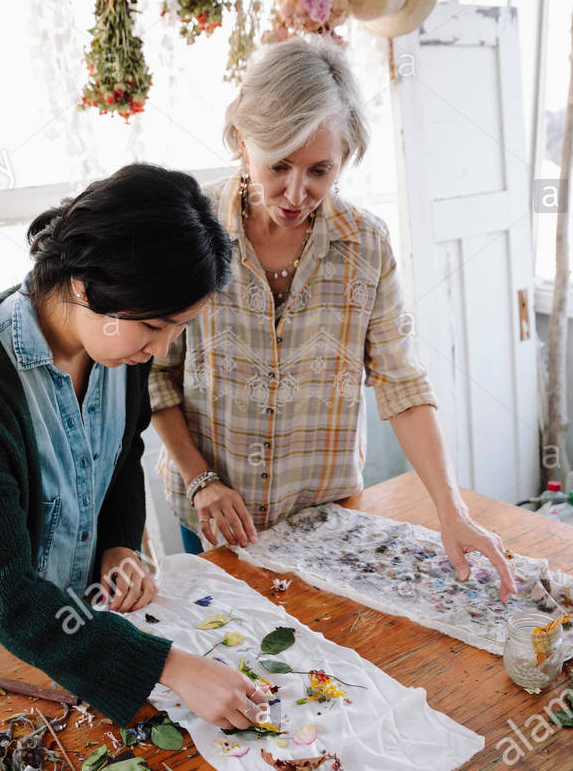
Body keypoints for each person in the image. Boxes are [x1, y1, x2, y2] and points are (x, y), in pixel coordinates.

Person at [0, 164, 271, 729]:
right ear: (86, 289)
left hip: (64, 620)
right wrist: (174, 668)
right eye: (155, 326)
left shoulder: (119, 351)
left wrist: (117, 544)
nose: (161, 350)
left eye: (177, 330)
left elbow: (120, 451)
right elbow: (8, 595)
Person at [149, 37, 517, 601]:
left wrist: (453, 510)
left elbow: (402, 383)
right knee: (234, 652)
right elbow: (156, 375)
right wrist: (202, 481)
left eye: (320, 170)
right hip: (214, 510)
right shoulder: (193, 226)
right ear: (243, 141)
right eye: (279, 166)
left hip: (327, 520)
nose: (297, 193)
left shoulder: (366, 245)